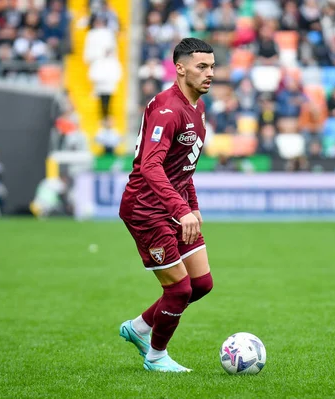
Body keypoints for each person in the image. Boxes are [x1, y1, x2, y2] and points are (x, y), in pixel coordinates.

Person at [118, 38, 215, 373]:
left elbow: (182, 166)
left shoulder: (197, 107)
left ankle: (139, 328)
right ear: (180, 68)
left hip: (172, 205)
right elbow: (151, 166)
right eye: (202, 66)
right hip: (145, 208)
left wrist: (193, 204)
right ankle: (156, 356)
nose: (209, 73)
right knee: (179, 289)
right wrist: (182, 209)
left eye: (212, 66)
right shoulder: (167, 109)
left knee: (201, 284)